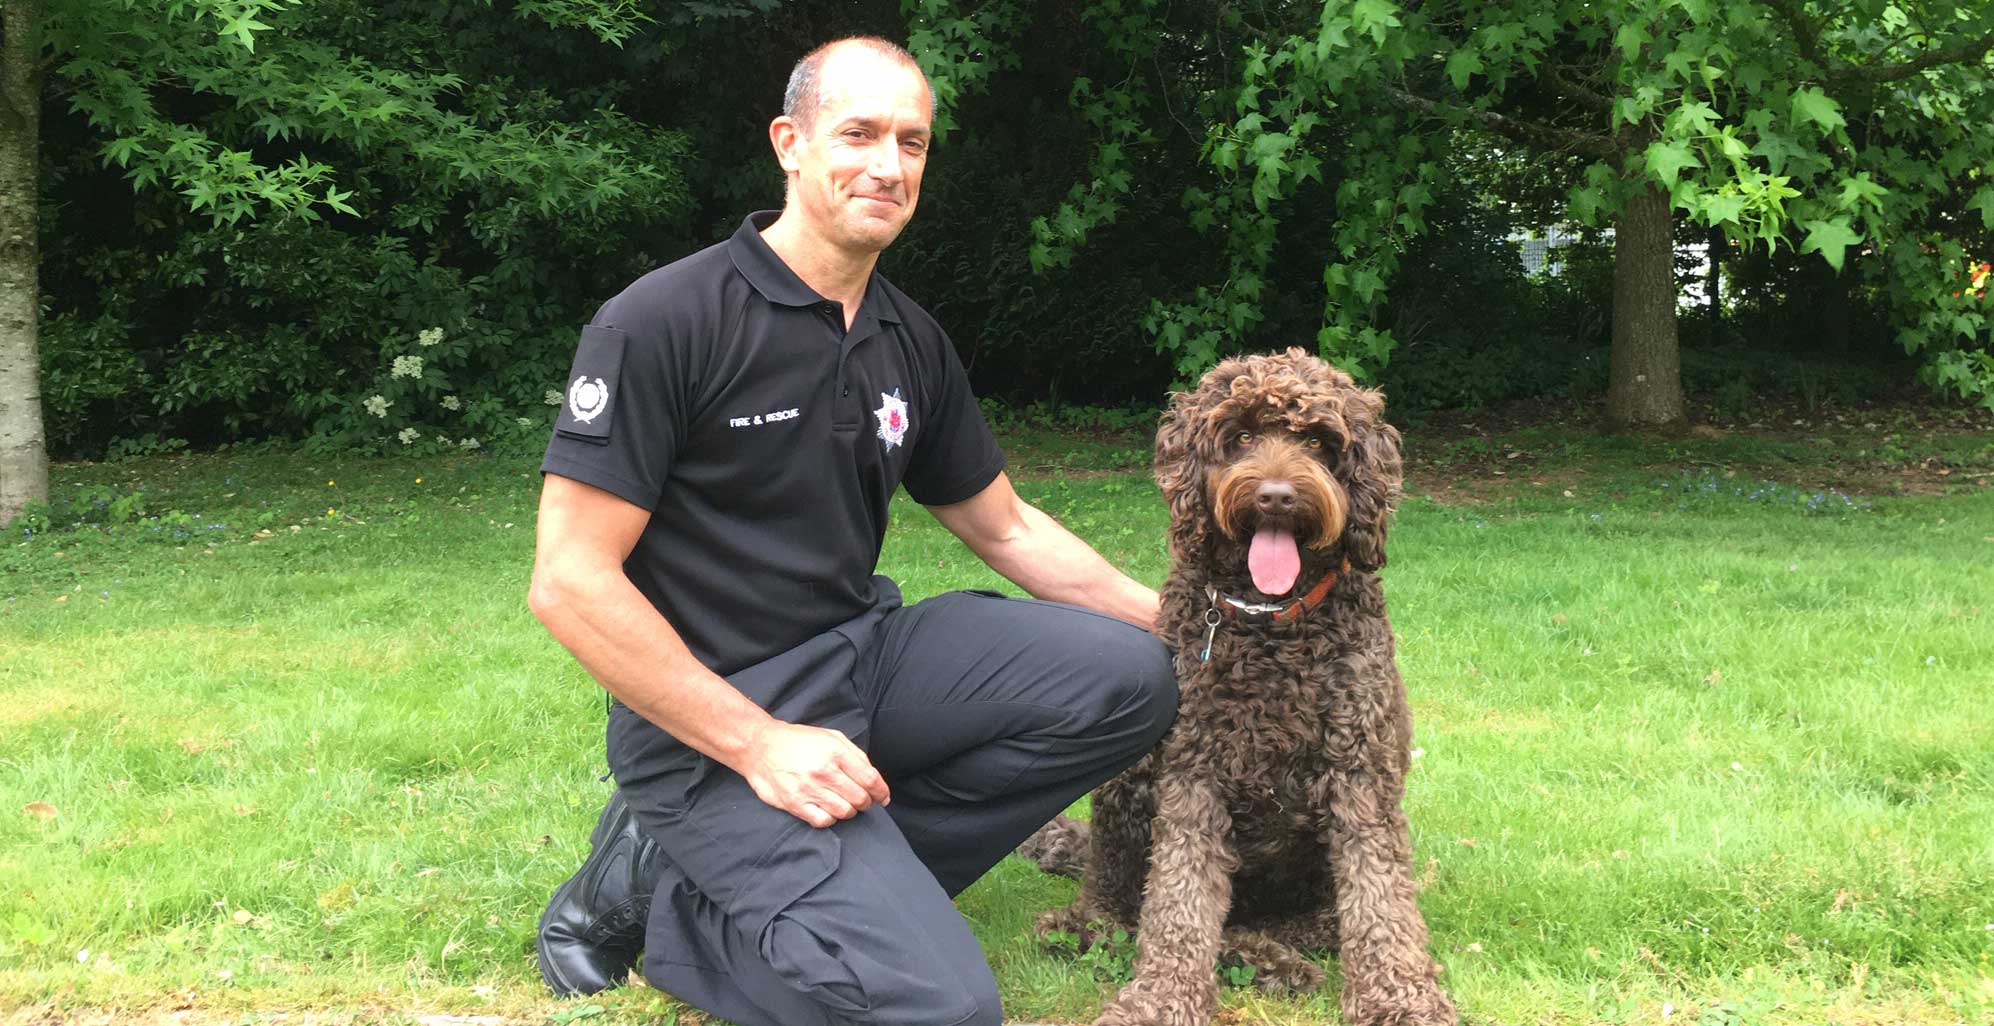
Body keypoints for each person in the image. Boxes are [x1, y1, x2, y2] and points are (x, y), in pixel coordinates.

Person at [526, 36, 1177, 1026]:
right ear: (790, 144)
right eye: (859, 134)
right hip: (714, 715)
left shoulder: (906, 336)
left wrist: (1184, 624)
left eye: (911, 143)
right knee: (943, 1010)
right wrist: (756, 745)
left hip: (861, 662)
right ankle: (674, 917)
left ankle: (793, 890)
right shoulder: (664, 320)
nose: (887, 164)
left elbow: (1004, 528)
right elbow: (569, 582)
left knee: (1132, 679)